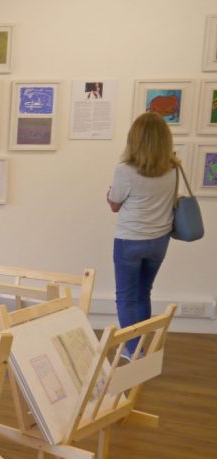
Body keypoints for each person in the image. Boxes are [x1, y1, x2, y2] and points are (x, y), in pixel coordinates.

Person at [106, 111, 176, 357]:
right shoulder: (173, 169)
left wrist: (109, 195)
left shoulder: (124, 170)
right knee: (143, 292)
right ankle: (139, 344)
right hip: (159, 240)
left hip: (130, 240)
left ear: (134, 139)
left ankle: (134, 350)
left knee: (125, 297)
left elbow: (115, 204)